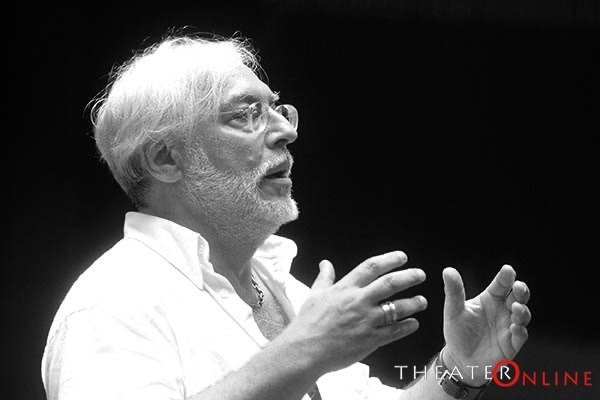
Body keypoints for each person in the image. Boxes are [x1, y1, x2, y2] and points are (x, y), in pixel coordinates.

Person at [41, 33, 532, 400]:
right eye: (245, 114)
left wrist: (459, 369)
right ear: (165, 159)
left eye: (277, 109)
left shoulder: (283, 288)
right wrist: (304, 350)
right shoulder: (112, 305)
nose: (285, 132)